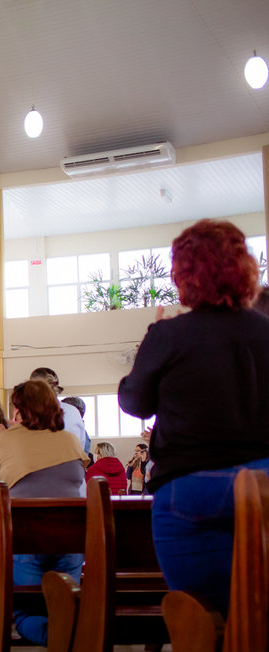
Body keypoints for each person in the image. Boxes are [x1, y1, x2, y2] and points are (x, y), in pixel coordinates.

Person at [118, 218, 269, 612]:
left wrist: (148, 348)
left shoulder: (168, 335)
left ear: (183, 276)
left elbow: (135, 403)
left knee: (204, 616)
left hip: (190, 488)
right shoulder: (265, 330)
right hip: (264, 483)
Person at [0, 380, 86, 645]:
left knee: (27, 612)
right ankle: (74, 635)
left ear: (20, 410)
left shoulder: (7, 440)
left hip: (25, 539)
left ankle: (59, 638)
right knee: (64, 606)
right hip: (71, 539)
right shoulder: (70, 440)